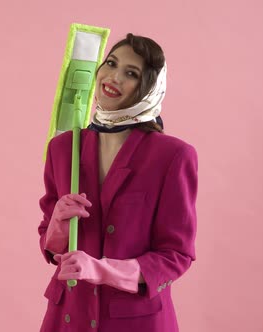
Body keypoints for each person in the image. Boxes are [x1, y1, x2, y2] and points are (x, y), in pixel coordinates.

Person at [37, 33, 198, 332]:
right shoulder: (62, 148)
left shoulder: (174, 156)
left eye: (131, 73)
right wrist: (58, 221)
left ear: (149, 87)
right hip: (68, 316)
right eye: (111, 63)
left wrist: (102, 270)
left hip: (135, 322)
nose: (114, 77)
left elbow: (176, 255)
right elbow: (51, 245)